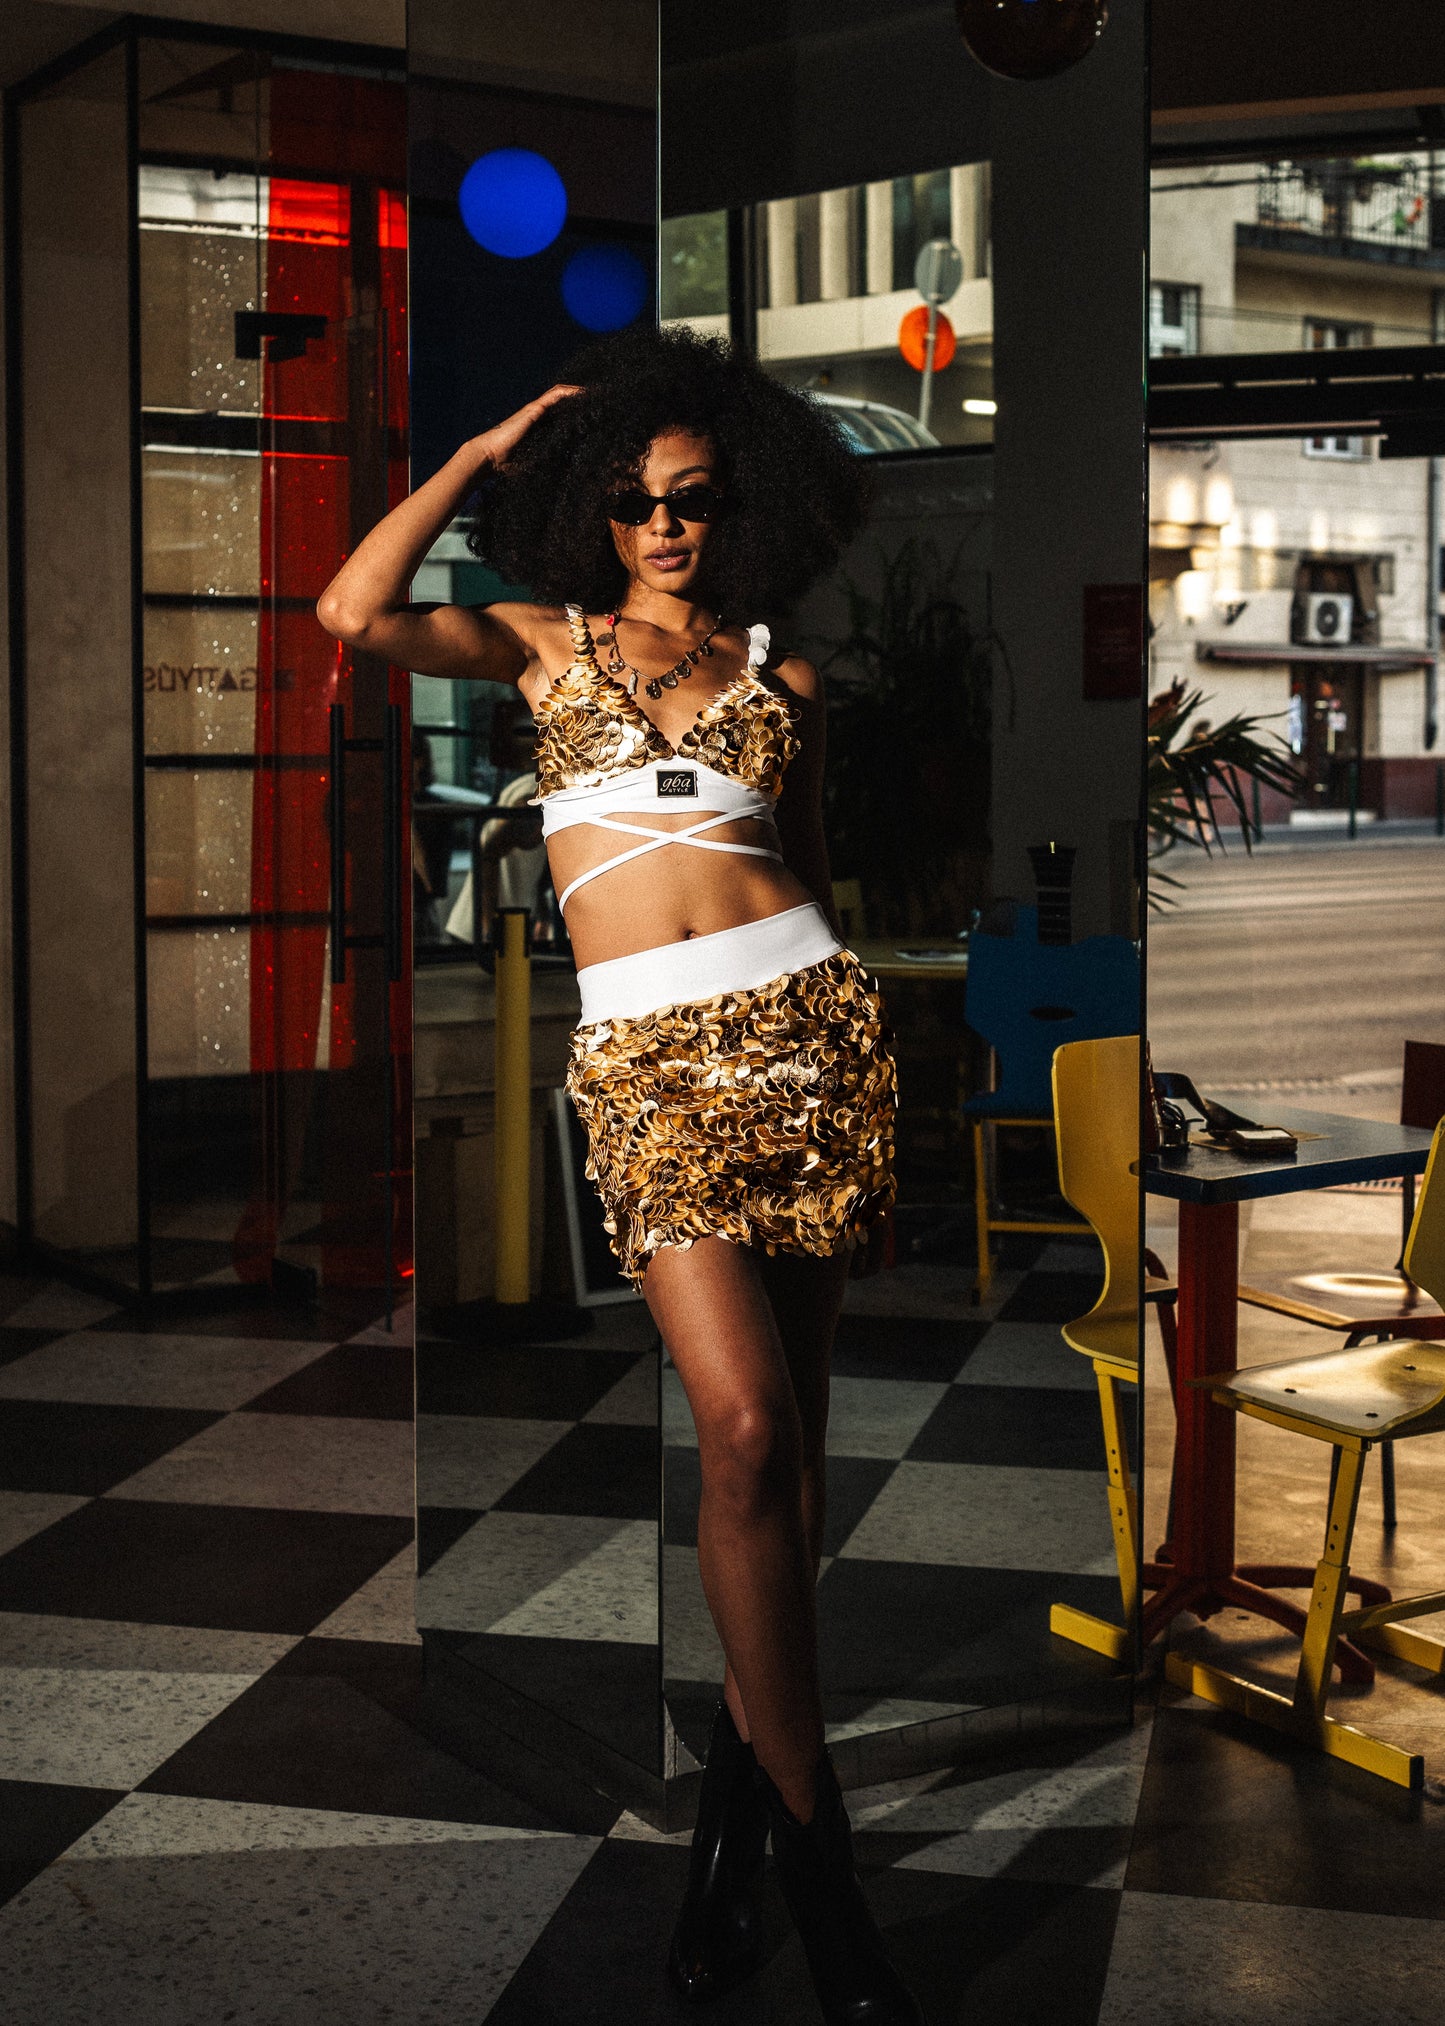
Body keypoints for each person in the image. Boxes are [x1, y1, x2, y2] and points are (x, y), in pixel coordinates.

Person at [317, 325, 918, 2026]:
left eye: (695, 501)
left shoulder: (782, 679)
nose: (667, 529)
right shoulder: (534, 643)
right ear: (596, 510)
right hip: (649, 1068)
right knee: (735, 1433)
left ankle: (734, 1826)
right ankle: (816, 1849)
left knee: (787, 1463)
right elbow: (346, 614)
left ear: (738, 506)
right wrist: (484, 444)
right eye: (641, 503)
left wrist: (872, 1122)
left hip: (808, 1042)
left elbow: (814, 889)